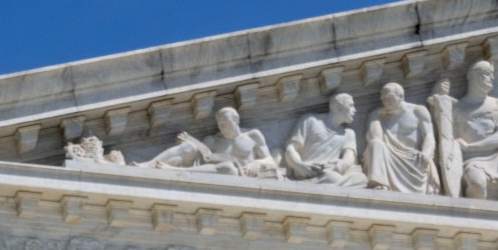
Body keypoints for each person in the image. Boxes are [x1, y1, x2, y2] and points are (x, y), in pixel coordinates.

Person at [438, 60, 498, 200]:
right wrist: (438, 100)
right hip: (472, 160)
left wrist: (470, 147)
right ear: (472, 76)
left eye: (492, 74)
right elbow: (446, 139)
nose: (492, 78)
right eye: (487, 73)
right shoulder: (457, 109)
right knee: (477, 183)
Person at [143, 105, 280, 178]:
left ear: (236, 120)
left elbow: (270, 160)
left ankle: (175, 171)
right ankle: (147, 166)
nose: (222, 126)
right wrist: (183, 143)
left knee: (229, 168)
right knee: (189, 147)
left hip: (241, 175)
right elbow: (202, 157)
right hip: (211, 173)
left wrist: (256, 163)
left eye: (225, 122)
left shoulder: (253, 135)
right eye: (220, 124)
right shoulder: (213, 140)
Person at [362, 82, 437, 195]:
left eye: (389, 97)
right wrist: (375, 117)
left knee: (420, 159)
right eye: (383, 98)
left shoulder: (418, 110)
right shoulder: (379, 115)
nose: (385, 101)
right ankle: (380, 184)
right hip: (388, 157)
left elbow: (429, 135)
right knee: (375, 143)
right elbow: (374, 138)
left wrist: (426, 153)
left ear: (401, 96)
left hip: (413, 158)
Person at [282, 93, 367, 186]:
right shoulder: (310, 120)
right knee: (332, 178)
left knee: (361, 179)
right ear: (340, 107)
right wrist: (300, 166)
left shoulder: (348, 133)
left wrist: (339, 166)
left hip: (331, 172)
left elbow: (349, 157)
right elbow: (291, 148)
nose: (355, 110)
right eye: (351, 106)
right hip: (310, 173)